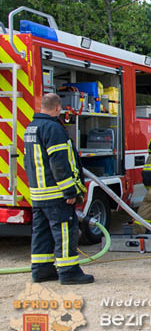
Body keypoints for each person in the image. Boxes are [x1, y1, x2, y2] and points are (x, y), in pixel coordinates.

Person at [24, 93, 94, 284]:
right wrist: (69, 190)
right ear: (57, 108)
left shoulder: (31, 128)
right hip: (55, 193)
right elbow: (59, 162)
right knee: (64, 231)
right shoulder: (53, 128)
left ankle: (41, 270)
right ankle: (69, 272)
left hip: (38, 193)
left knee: (41, 232)